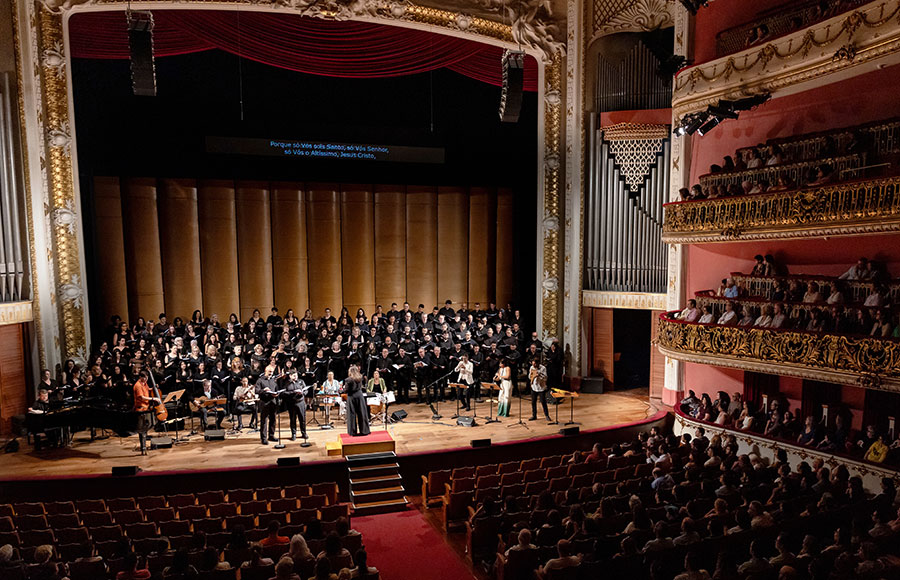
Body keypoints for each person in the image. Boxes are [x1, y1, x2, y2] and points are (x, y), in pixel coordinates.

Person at [132, 371, 158, 455]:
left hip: (146, 408)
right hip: (140, 409)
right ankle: (143, 448)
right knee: (142, 430)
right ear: (140, 377)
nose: (146, 380)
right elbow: (142, 397)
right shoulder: (138, 385)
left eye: (147, 378)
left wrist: (153, 388)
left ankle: (144, 446)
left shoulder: (144, 383)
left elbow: (147, 390)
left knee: (145, 429)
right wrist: (153, 399)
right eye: (144, 378)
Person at [255, 365, 281, 445]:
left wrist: (277, 394)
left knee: (273, 419)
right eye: (269, 372)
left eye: (272, 372)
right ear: (265, 371)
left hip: (272, 402)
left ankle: (271, 435)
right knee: (264, 421)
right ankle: (263, 438)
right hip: (264, 402)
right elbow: (256, 390)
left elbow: (276, 389)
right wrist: (264, 390)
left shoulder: (273, 380)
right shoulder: (260, 380)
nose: (271, 373)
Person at [343, 365, 370, 437]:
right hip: (360, 396)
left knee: (351, 414)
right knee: (362, 413)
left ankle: (352, 432)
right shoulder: (360, 378)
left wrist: (342, 389)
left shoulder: (348, 380)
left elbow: (346, 390)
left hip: (352, 397)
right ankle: (364, 431)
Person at [283, 370, 308, 441]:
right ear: (290, 376)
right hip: (292, 403)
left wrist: (303, 393)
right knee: (293, 419)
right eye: (294, 375)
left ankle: (303, 433)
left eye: (296, 375)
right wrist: (292, 392)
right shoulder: (286, 383)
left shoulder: (301, 381)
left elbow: (306, 390)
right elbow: (284, 393)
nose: (296, 377)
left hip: (301, 402)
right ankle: (293, 434)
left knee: (302, 419)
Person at [528, 358, 551, 422]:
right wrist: (532, 376)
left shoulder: (543, 368)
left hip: (541, 387)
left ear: (538, 363)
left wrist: (539, 375)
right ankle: (534, 415)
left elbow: (545, 378)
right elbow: (529, 376)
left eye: (535, 364)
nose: (534, 365)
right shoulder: (531, 367)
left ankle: (547, 415)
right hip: (534, 387)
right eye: (533, 364)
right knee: (533, 402)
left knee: (543, 402)